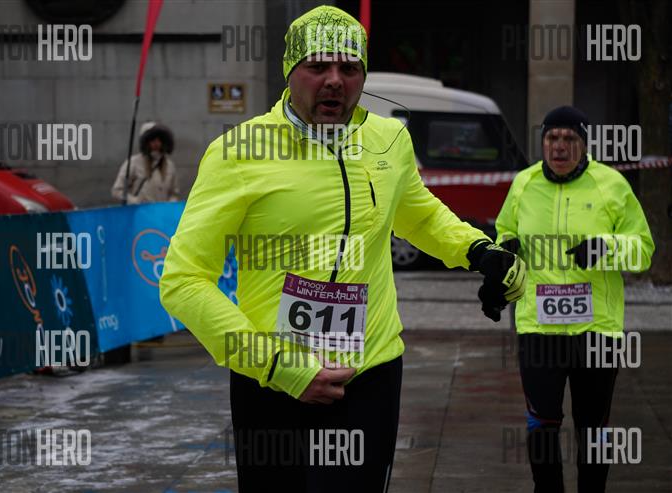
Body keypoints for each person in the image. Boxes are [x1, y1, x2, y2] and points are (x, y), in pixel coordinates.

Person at [160, 6, 526, 492]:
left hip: (369, 371)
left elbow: (417, 214)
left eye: (349, 68)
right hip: (271, 378)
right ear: (290, 72)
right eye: (318, 66)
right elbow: (183, 280)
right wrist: (278, 366)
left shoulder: (389, 140)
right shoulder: (238, 152)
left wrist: (479, 251)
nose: (334, 80)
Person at [495, 106, 655, 493]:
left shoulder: (611, 185)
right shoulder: (524, 184)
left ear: (584, 144)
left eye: (570, 139)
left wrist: (606, 247)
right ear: (543, 142)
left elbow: (643, 250)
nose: (560, 146)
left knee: (594, 429)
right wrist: (506, 250)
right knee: (541, 424)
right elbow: (503, 233)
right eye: (552, 138)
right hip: (538, 328)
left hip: (596, 329)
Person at [111, 121, 180, 204]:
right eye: (152, 140)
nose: (156, 143)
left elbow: (174, 193)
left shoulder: (169, 166)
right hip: (140, 211)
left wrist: (170, 204)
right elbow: (117, 190)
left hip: (161, 211)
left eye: (159, 140)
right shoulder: (134, 162)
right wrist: (134, 201)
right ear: (145, 142)